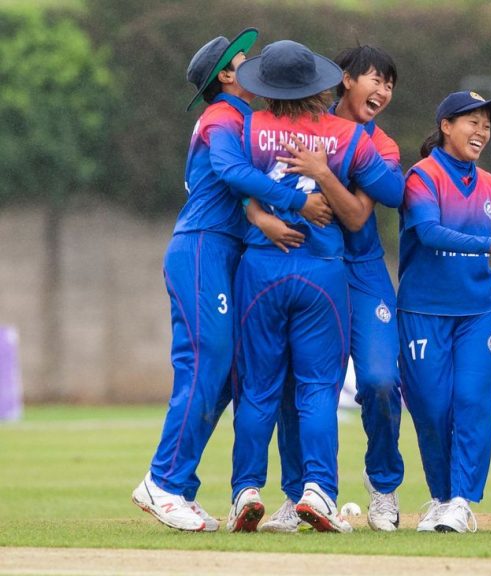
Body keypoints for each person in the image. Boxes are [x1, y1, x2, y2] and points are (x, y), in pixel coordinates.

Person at [131, 28, 333, 532]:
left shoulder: (249, 119)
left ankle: (181, 484)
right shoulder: (222, 115)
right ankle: (162, 481)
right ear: (226, 75)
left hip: (226, 253)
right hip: (203, 247)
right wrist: (295, 202)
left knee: (223, 375)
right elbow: (228, 170)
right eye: (244, 59)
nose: (254, 64)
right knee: (205, 363)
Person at [227, 39, 403, 533]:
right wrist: (260, 215)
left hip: (353, 269)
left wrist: (316, 177)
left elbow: (361, 214)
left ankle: (380, 485)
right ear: (341, 80)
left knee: (378, 381)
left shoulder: (378, 143)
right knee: (305, 387)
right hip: (321, 267)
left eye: (390, 85)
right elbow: (393, 192)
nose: (383, 91)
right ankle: (303, 492)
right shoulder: (341, 134)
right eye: (376, 79)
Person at [398, 91, 491, 533]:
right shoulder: (423, 176)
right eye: (472, 122)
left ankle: (460, 501)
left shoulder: (490, 184)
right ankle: (440, 498)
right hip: (423, 310)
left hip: (477, 312)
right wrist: (490, 244)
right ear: (446, 126)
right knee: (431, 408)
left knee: (472, 403)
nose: (482, 131)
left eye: (486, 125)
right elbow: (429, 232)